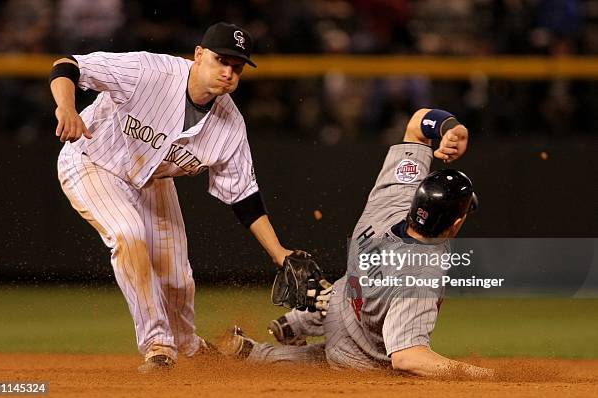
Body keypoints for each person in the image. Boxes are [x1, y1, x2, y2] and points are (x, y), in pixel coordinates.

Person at [50, 22, 297, 373]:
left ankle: (188, 345)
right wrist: (67, 107)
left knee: (177, 276)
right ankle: (157, 346)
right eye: (221, 61)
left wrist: (279, 253)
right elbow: (67, 65)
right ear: (198, 55)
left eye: (236, 67)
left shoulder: (230, 126)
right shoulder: (148, 71)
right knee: (128, 233)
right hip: (92, 160)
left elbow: (244, 197)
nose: (228, 72)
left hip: (151, 181)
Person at [220, 108, 494, 378]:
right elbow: (407, 357)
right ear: (456, 223)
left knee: (351, 307)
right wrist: (480, 375)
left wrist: (448, 128)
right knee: (366, 367)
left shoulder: (396, 197)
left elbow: (415, 126)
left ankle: (288, 327)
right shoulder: (420, 276)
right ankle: (275, 344)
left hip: (339, 302)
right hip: (359, 348)